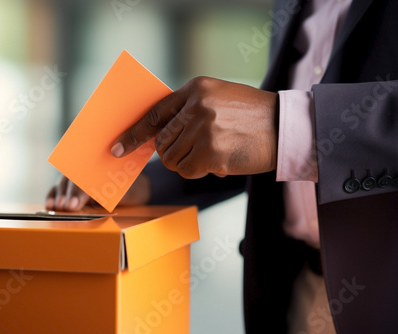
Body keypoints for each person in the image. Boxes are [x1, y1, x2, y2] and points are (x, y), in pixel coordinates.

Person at [46, 0, 398, 332]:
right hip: (291, 291)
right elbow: (277, 151)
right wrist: (150, 181)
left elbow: (282, 134)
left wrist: (284, 123)